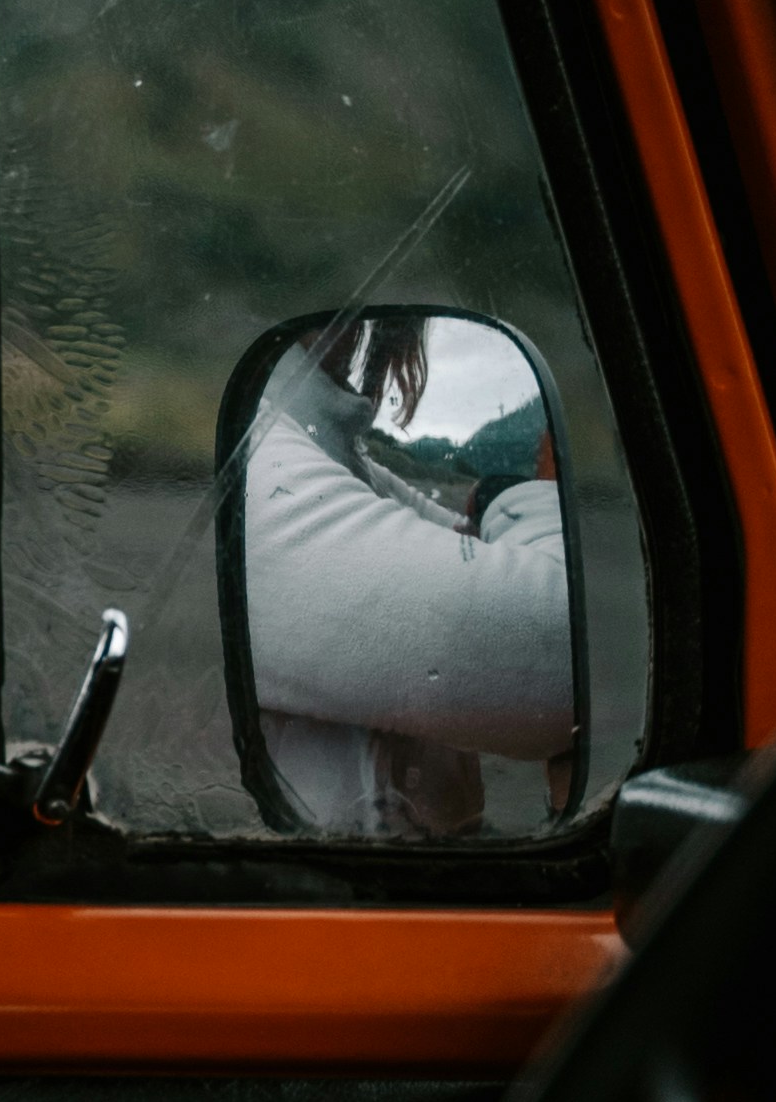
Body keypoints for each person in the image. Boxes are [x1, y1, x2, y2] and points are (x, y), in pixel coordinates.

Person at [237, 314, 574, 836]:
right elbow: (567, 649)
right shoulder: (260, 471)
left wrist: (493, 505)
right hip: (324, 903)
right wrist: (528, 491)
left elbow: (470, 547)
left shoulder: (336, 462)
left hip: (365, 898)